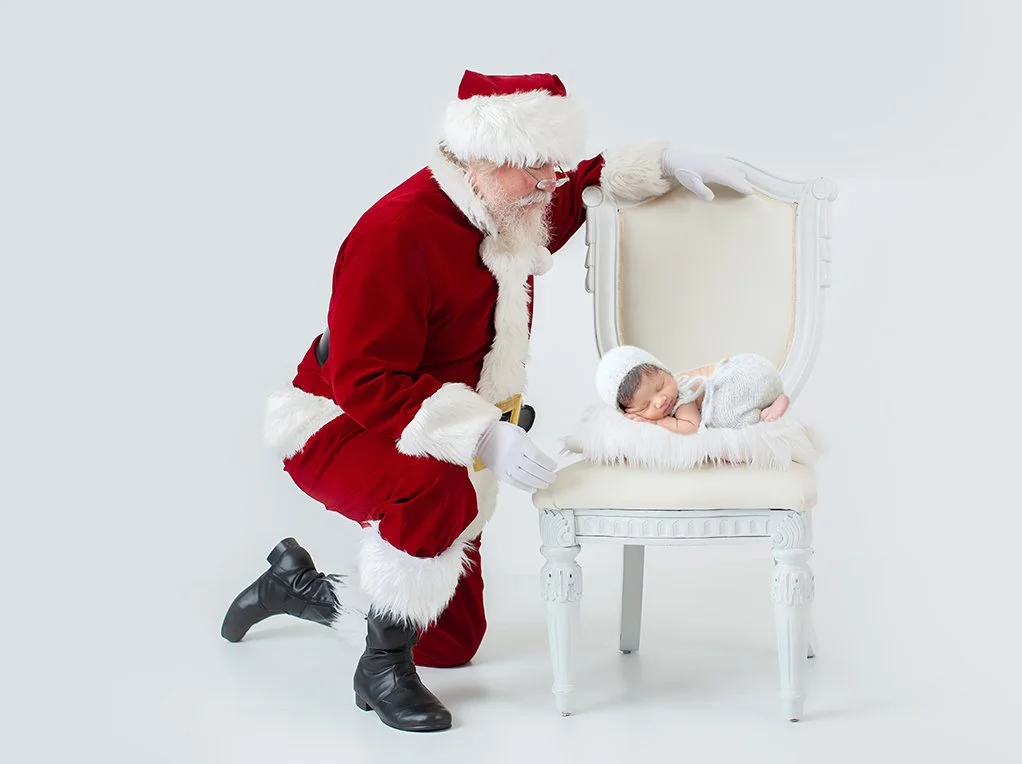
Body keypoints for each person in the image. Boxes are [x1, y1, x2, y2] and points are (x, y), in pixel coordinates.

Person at [220, 70, 756, 733]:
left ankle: (296, 586)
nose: (546, 185)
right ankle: (380, 668)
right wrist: (483, 435)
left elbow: (581, 182)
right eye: (530, 169)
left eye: (550, 168)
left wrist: (665, 163)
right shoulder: (395, 232)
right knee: (437, 490)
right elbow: (365, 382)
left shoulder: (513, 207)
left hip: (440, 426)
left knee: (452, 642)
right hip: (336, 421)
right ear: (477, 156)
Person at [597, 344, 789, 434]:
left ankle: (772, 403)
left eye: (661, 386)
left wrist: (657, 423)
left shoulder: (682, 401)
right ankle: (775, 398)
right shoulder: (676, 384)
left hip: (746, 377)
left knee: (723, 419)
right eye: (645, 405)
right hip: (760, 371)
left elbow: (691, 427)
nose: (661, 400)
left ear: (665, 371)